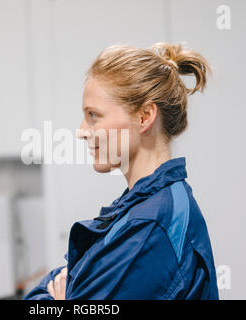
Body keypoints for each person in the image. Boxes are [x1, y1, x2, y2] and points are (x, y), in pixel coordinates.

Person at [23, 42, 219, 300]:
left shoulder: (149, 226)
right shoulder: (141, 207)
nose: (81, 131)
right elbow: (60, 282)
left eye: (94, 115)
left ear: (144, 116)